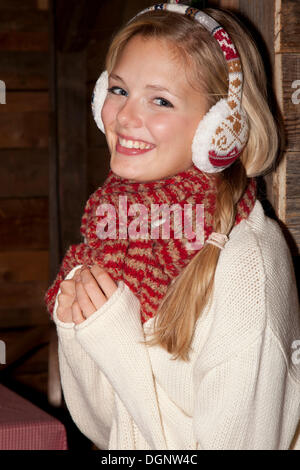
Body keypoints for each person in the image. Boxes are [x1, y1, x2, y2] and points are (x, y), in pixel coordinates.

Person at [46, 3, 300, 450]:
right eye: (119, 89)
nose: (124, 117)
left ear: (221, 129)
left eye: (160, 100)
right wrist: (81, 328)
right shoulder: (116, 231)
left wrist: (113, 336)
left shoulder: (246, 266)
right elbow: (107, 431)